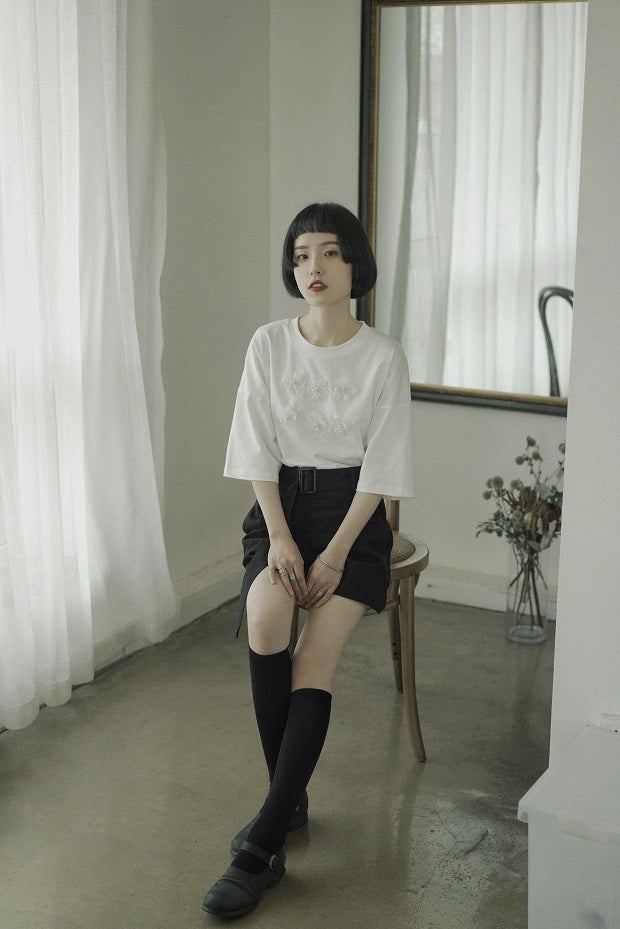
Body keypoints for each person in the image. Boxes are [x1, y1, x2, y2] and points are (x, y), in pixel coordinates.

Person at [202, 202, 415, 919]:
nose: (313, 268)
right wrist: (282, 537)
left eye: (328, 253)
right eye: (300, 256)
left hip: (353, 520)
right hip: (280, 510)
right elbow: (255, 447)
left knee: (312, 661)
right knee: (267, 622)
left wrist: (335, 552)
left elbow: (382, 469)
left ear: (355, 263)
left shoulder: (383, 356)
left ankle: (262, 845)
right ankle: (287, 800)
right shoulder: (268, 344)